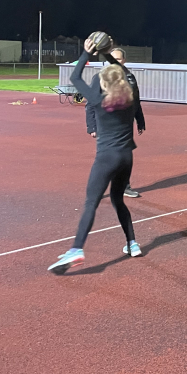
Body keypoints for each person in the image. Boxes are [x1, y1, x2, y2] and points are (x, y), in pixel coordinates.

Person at [49, 38, 142, 274]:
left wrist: (86, 53)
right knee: (118, 200)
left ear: (103, 83)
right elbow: (124, 72)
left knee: (91, 202)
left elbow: (75, 78)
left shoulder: (98, 100)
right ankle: (132, 242)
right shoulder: (130, 97)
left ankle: (76, 249)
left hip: (107, 158)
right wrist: (107, 53)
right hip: (126, 158)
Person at [86, 46, 144, 198]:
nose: (115, 61)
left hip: (125, 125)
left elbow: (135, 101)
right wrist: (92, 126)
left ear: (124, 60)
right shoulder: (100, 78)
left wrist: (140, 120)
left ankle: (124, 186)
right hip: (106, 125)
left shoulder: (129, 78)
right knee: (105, 158)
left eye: (118, 59)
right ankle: (97, 190)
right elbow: (90, 104)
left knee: (124, 156)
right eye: (113, 58)